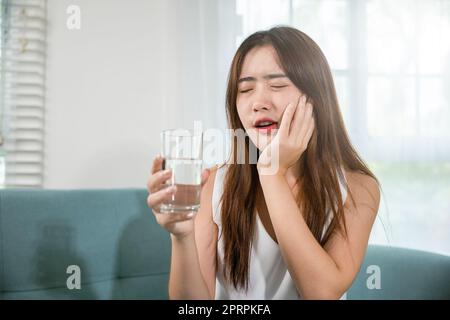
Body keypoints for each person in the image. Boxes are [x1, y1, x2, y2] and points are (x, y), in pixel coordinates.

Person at [147, 26, 380, 300]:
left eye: (278, 85)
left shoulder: (357, 187)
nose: (258, 102)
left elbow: (321, 293)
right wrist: (182, 236)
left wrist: (272, 173)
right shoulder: (213, 184)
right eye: (245, 89)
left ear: (316, 99)